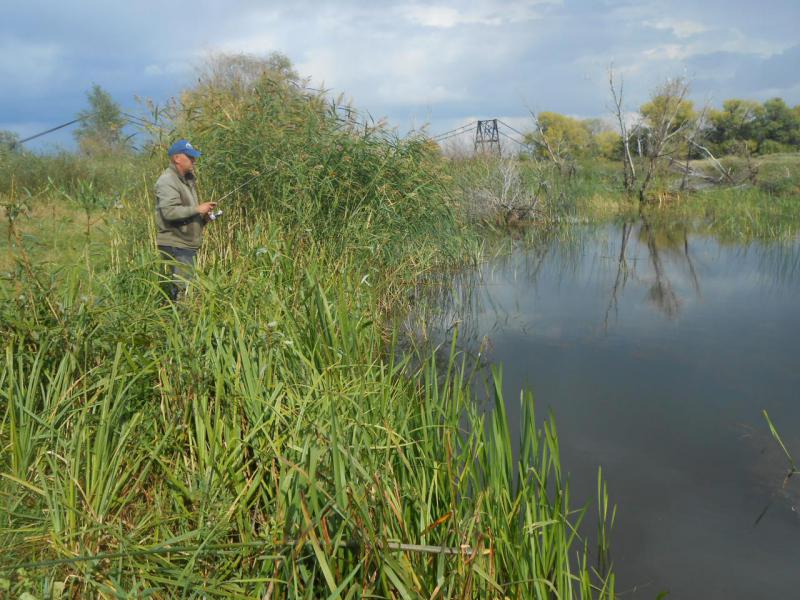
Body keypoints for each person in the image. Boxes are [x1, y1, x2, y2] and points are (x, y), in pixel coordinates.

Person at [154, 139, 216, 301]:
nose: (194, 161)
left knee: (185, 286)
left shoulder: (187, 181)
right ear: (177, 158)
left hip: (185, 243)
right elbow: (169, 212)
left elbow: (184, 214)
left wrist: (202, 218)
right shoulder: (167, 181)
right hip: (176, 243)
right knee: (184, 289)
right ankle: (182, 322)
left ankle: (180, 319)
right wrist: (197, 209)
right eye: (190, 157)